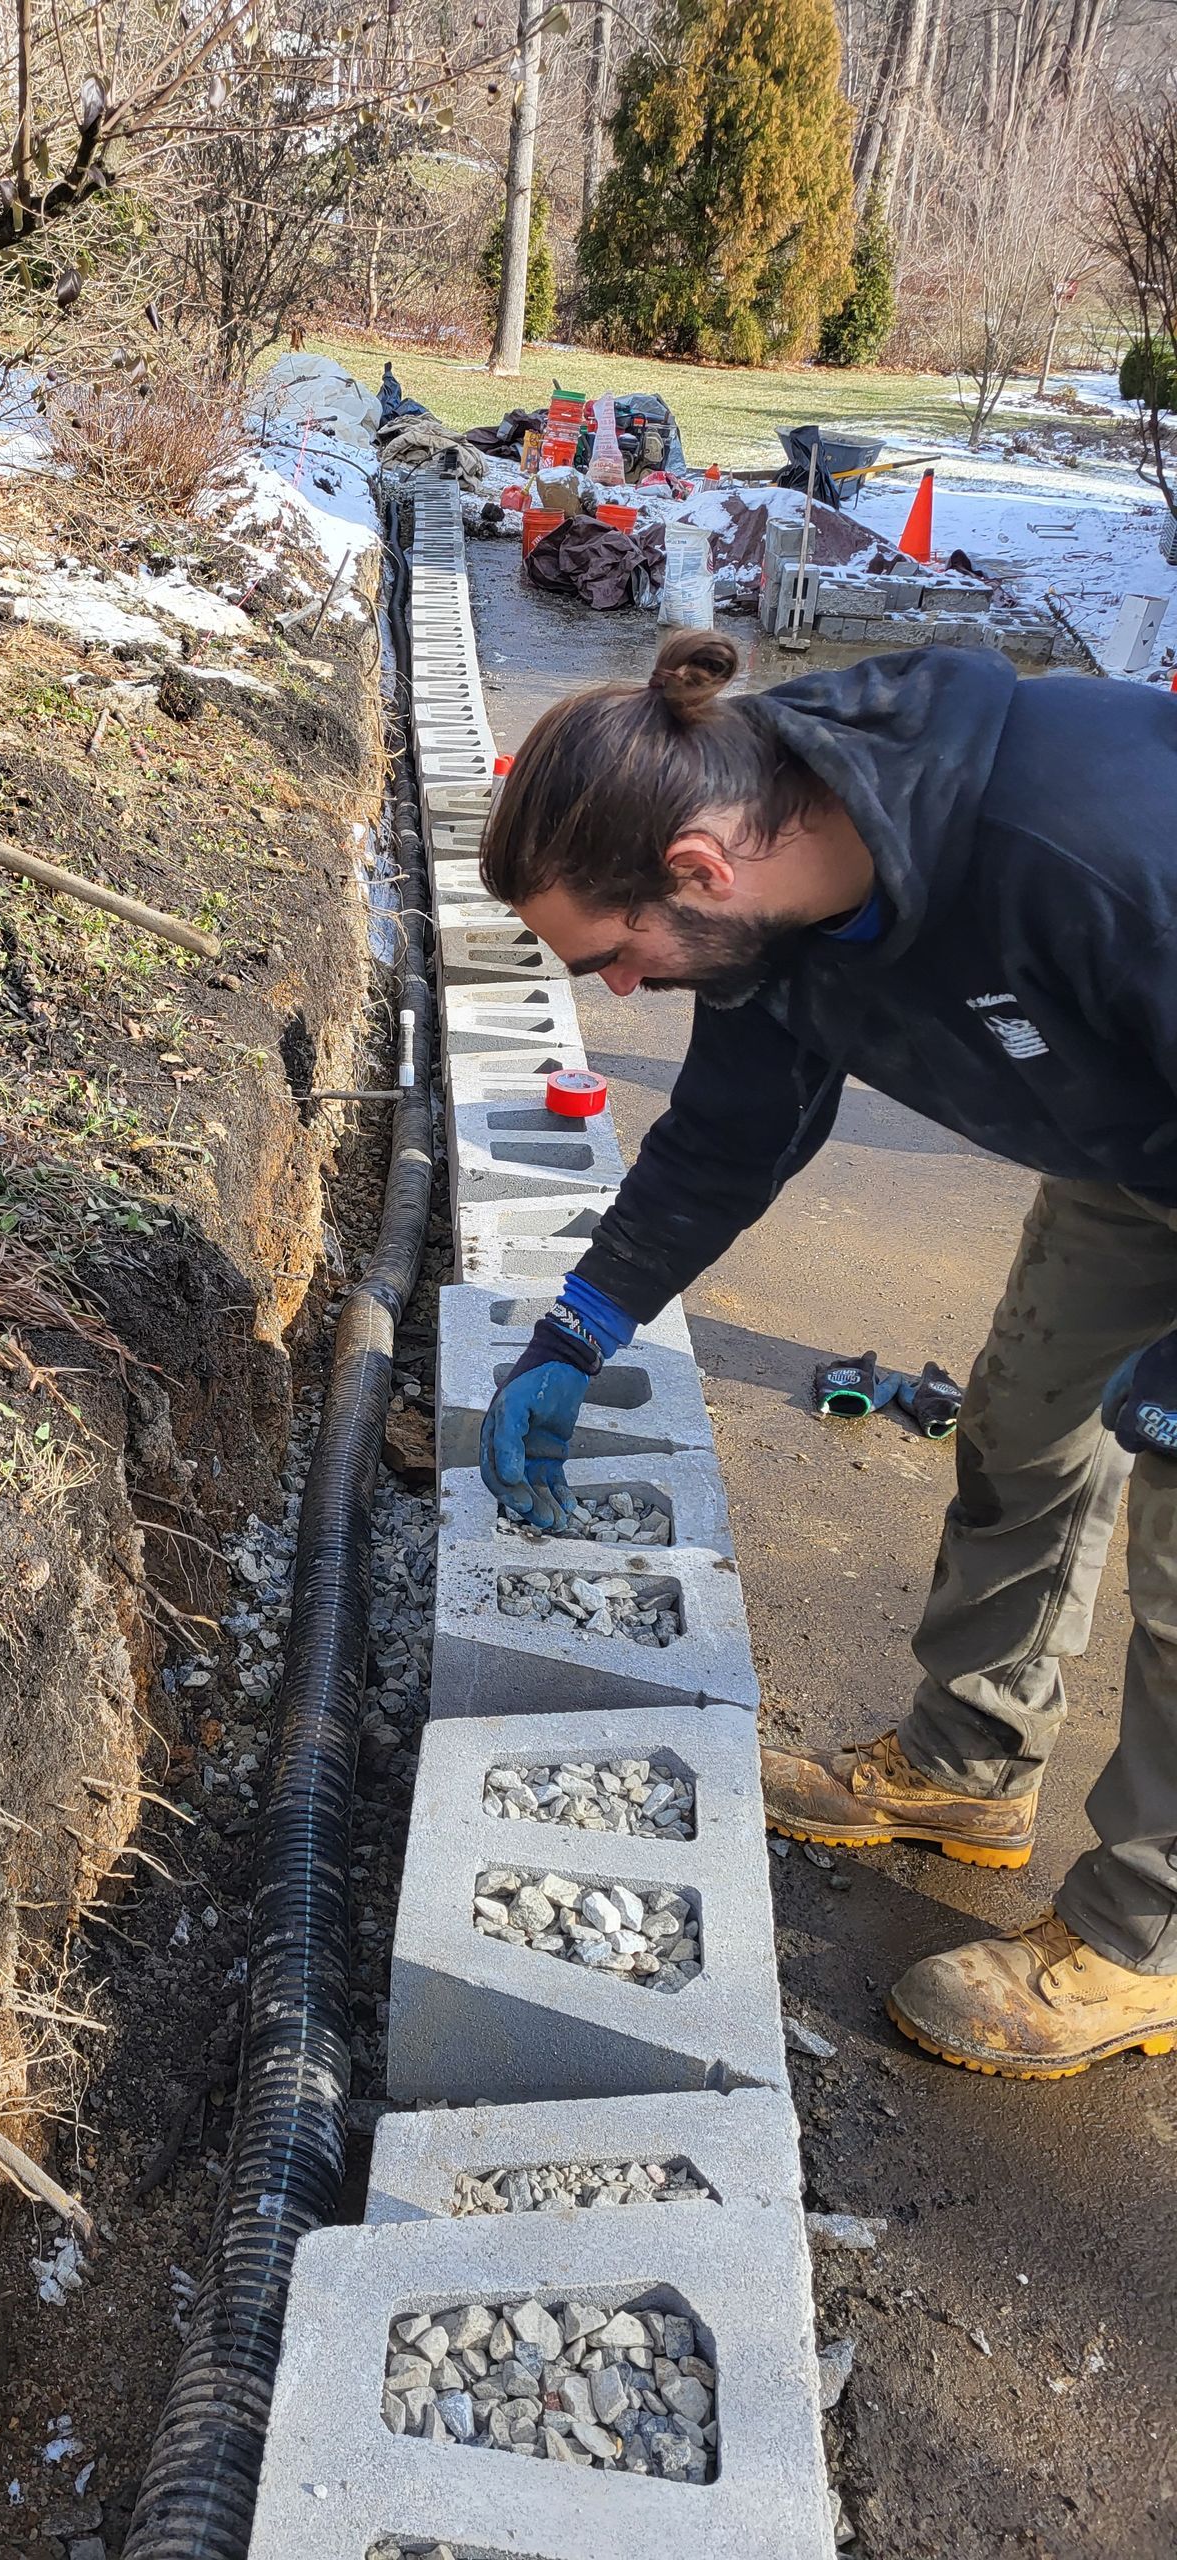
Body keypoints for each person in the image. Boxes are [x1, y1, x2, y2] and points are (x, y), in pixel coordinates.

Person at [475, 629, 1177, 2082]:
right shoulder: (767, 894)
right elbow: (730, 1137)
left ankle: (1140, 1939)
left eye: (613, 957)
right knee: (1024, 1431)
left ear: (699, 869)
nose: (615, 995)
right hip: (1138, 1142)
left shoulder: (1085, 847)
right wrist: (580, 1325)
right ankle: (967, 1767)